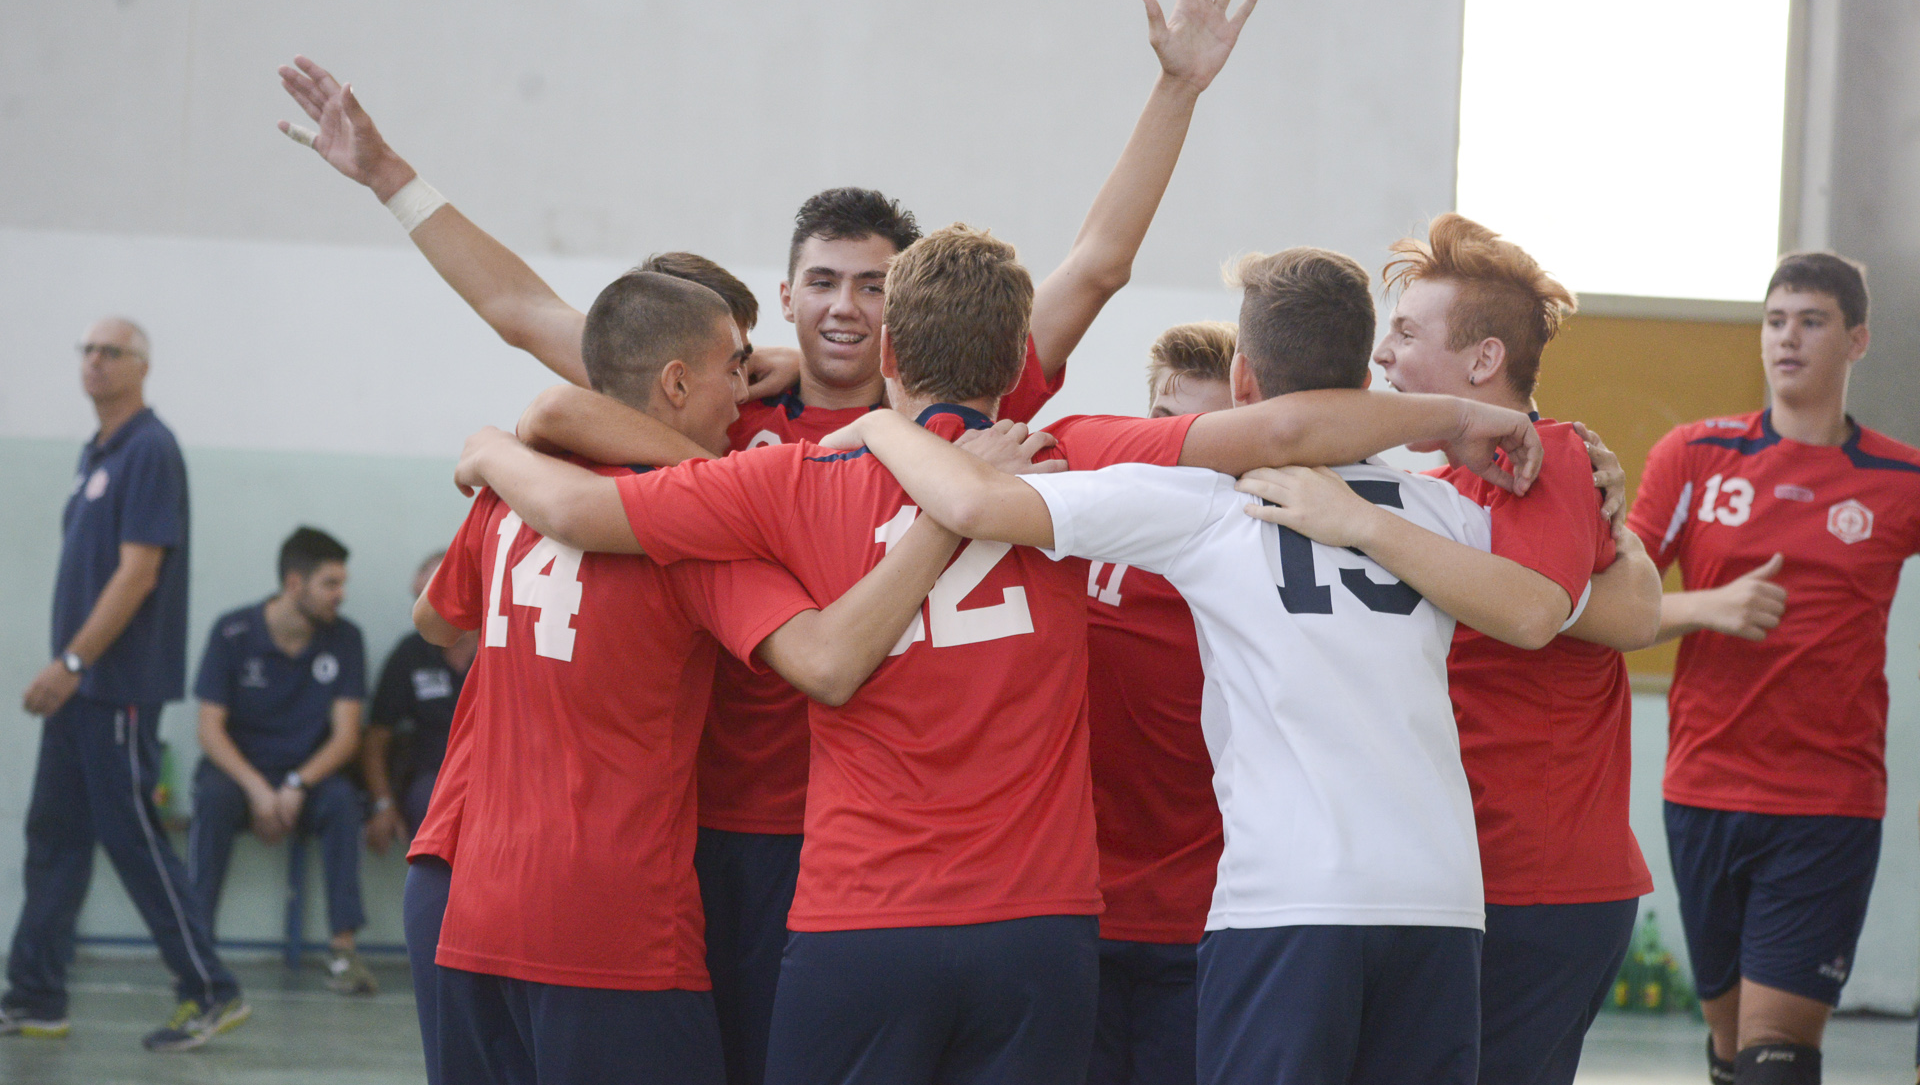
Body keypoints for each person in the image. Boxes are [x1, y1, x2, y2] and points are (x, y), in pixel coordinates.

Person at [279, 0, 1262, 1085]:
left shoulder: (981, 405)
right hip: (718, 836)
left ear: (907, 313)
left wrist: (1176, 87)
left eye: (873, 284)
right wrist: (392, 173)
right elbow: (527, 313)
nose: (845, 306)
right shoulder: (727, 418)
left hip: (906, 865)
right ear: (783, 292)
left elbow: (1095, 263)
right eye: (823, 281)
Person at [451, 227, 1547, 1085]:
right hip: (1039, 928)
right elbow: (1283, 432)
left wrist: (490, 445)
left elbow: (585, 511)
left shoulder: (783, 474)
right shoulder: (1071, 459)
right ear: (1023, 361)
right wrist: (1456, 415)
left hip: (860, 919)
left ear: (886, 349)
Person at [787, 245, 1594, 1085]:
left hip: (1286, 902)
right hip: (1441, 902)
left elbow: (972, 501)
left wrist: (877, 420)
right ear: (1362, 377)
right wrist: (1571, 465)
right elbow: (1582, 602)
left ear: (1243, 380)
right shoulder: (1453, 512)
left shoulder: (1201, 507)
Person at [405, 269, 972, 1083]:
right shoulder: (681, 536)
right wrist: (949, 522)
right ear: (676, 383)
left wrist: (498, 449)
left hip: (477, 906)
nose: (743, 402)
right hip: (614, 922)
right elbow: (827, 664)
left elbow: (433, 618)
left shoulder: (509, 498)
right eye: (732, 371)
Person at [1359, 213, 1663, 1085]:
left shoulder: (1551, 459)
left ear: (1484, 360)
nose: (1384, 355)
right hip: (1470, 876)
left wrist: (1359, 524)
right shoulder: (1444, 485)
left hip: (1539, 884)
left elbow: (1553, 613)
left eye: (1408, 333)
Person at [1623, 252, 1920, 1085]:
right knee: (1731, 1054)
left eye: (1812, 321)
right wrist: (1698, 608)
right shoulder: (1696, 456)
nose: (1788, 338)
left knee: (1777, 1063)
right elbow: (1609, 596)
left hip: (1828, 806)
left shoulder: (1900, 480)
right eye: (1775, 319)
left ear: (1856, 340)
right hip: (1703, 793)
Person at [1, 318, 248, 1053]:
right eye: (88, 351)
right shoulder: (97, 451)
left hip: (115, 686)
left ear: (141, 367)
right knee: (54, 837)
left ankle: (211, 990)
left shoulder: (149, 449)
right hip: (81, 692)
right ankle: (37, 994)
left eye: (112, 352)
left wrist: (73, 663)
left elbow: (138, 573)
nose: (96, 363)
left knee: (133, 840)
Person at [1084, 322, 1234, 1085]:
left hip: (1207, 921)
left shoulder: (1273, 557)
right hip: (1078, 911)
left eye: (1213, 441)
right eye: (1171, 437)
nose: (1187, 459)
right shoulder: (1071, 534)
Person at [190, 526, 375, 996]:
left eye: (342, 583)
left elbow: (347, 735)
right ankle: (195, 948)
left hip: (307, 775)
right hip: (240, 773)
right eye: (331, 584)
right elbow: (209, 728)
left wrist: (296, 783)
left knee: (342, 802)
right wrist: (257, 788)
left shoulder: (346, 638)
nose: (342, 595)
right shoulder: (232, 631)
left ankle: (342, 952)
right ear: (295, 584)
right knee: (210, 798)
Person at [364, 550, 475, 849]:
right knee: (434, 806)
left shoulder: (504, 650)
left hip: (498, 776)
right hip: (433, 780)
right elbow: (376, 737)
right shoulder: (410, 654)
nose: (431, 615)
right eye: (424, 603)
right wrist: (383, 804)